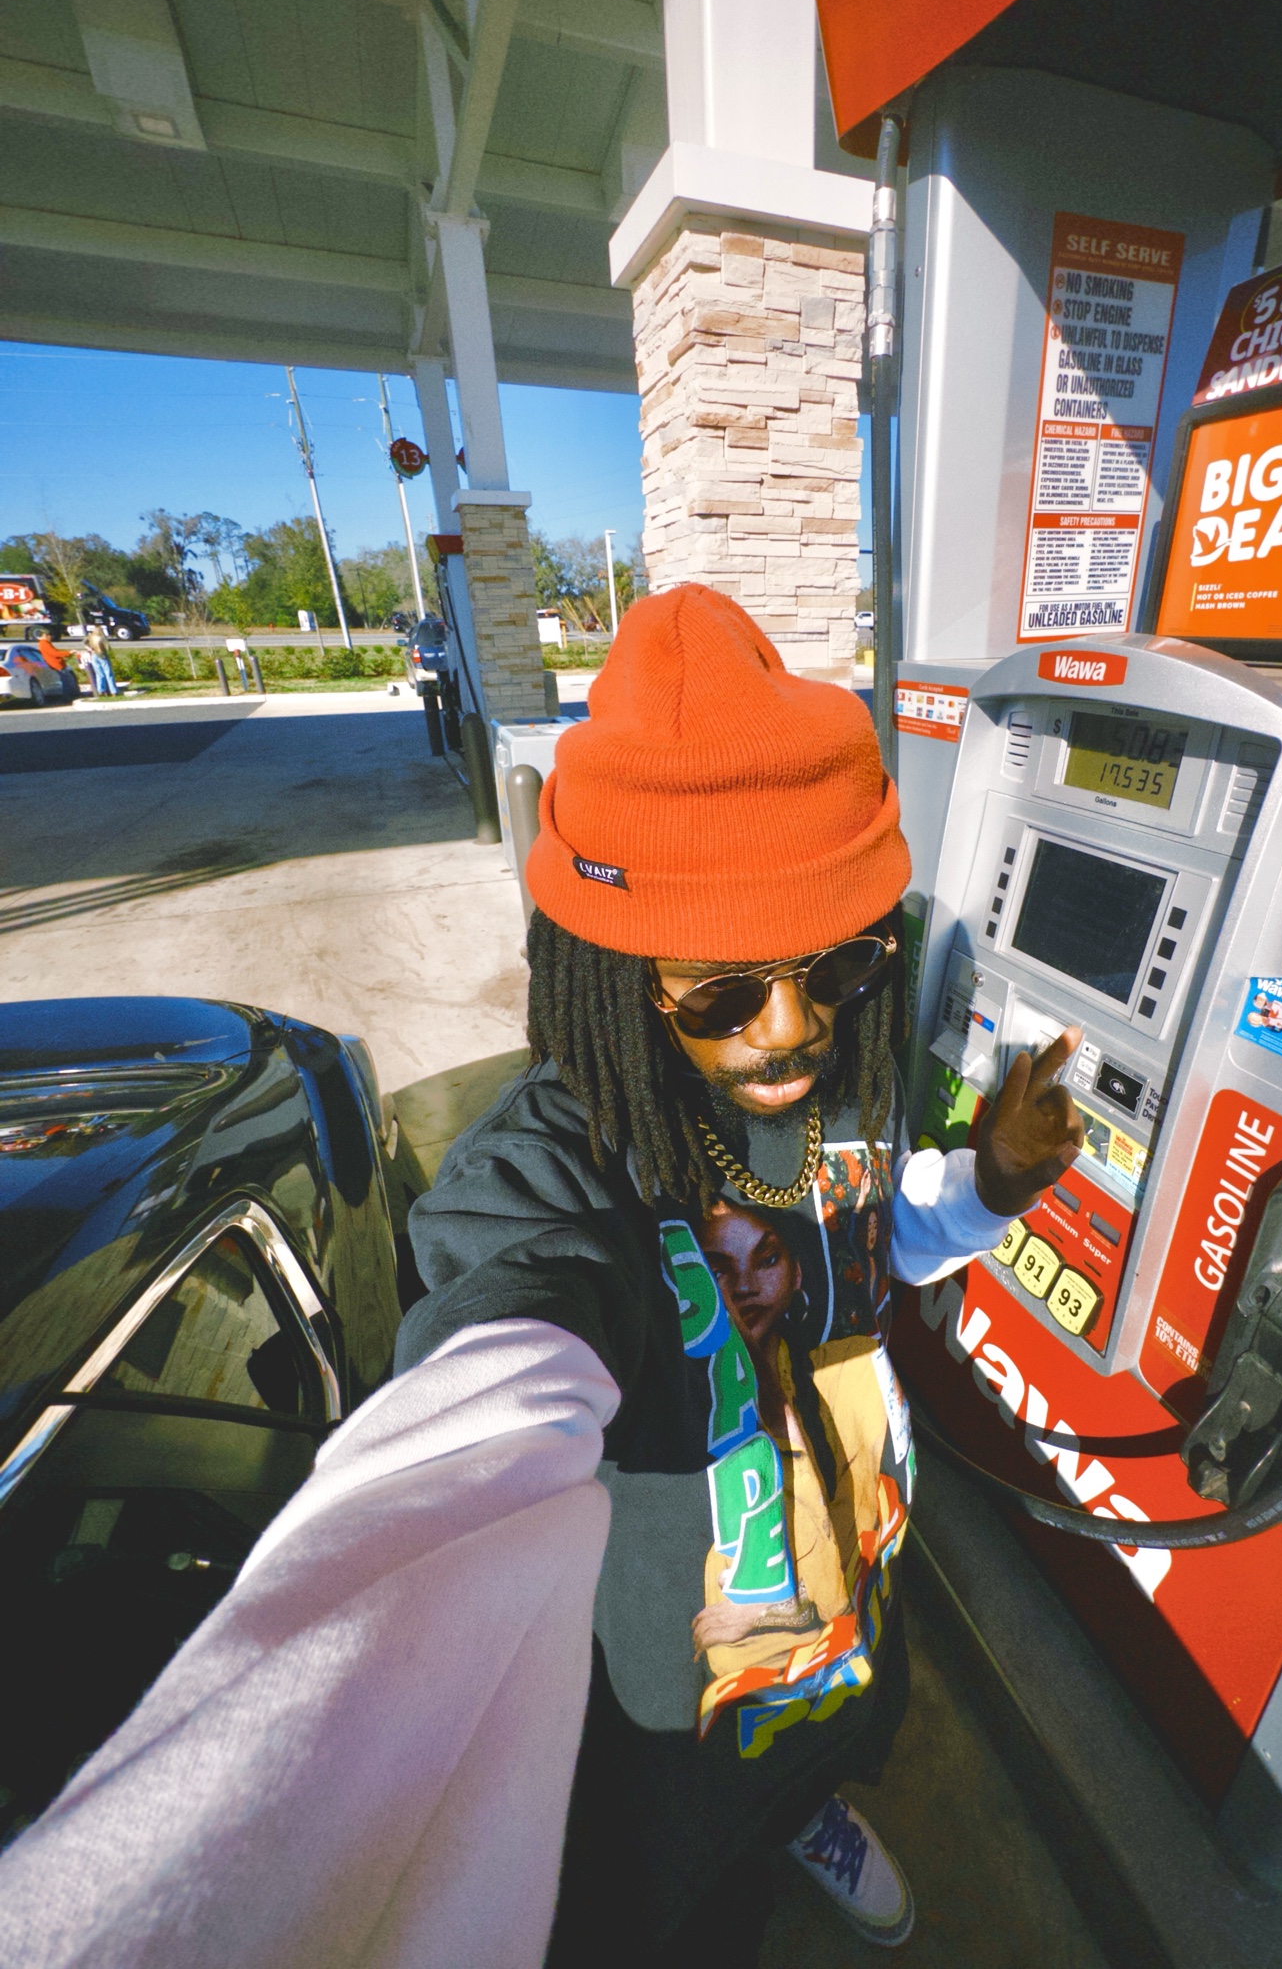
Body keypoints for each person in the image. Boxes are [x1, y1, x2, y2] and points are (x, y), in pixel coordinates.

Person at [0, 584, 1082, 1969]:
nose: (793, 1028)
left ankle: (802, 1808)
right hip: (672, 1674)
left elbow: (868, 1246)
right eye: (722, 990)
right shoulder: (550, 1177)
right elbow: (470, 1419)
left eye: (835, 968)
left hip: (839, 1579)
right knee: (686, 1881)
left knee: (816, 1737)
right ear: (613, 975)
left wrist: (988, 1185)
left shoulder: (838, 1095)